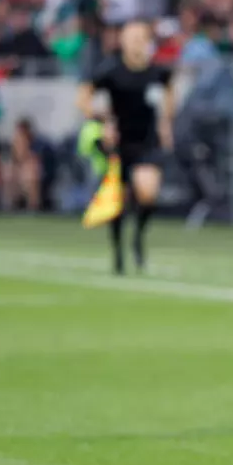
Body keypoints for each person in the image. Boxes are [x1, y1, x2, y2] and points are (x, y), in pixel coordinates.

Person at [77, 20, 175, 275]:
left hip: (147, 141)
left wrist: (166, 123)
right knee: (117, 202)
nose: (137, 44)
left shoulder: (157, 72)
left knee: (148, 193)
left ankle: (138, 237)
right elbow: (84, 96)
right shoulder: (111, 71)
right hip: (119, 143)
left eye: (141, 38)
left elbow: (169, 94)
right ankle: (118, 252)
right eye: (132, 38)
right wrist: (102, 121)